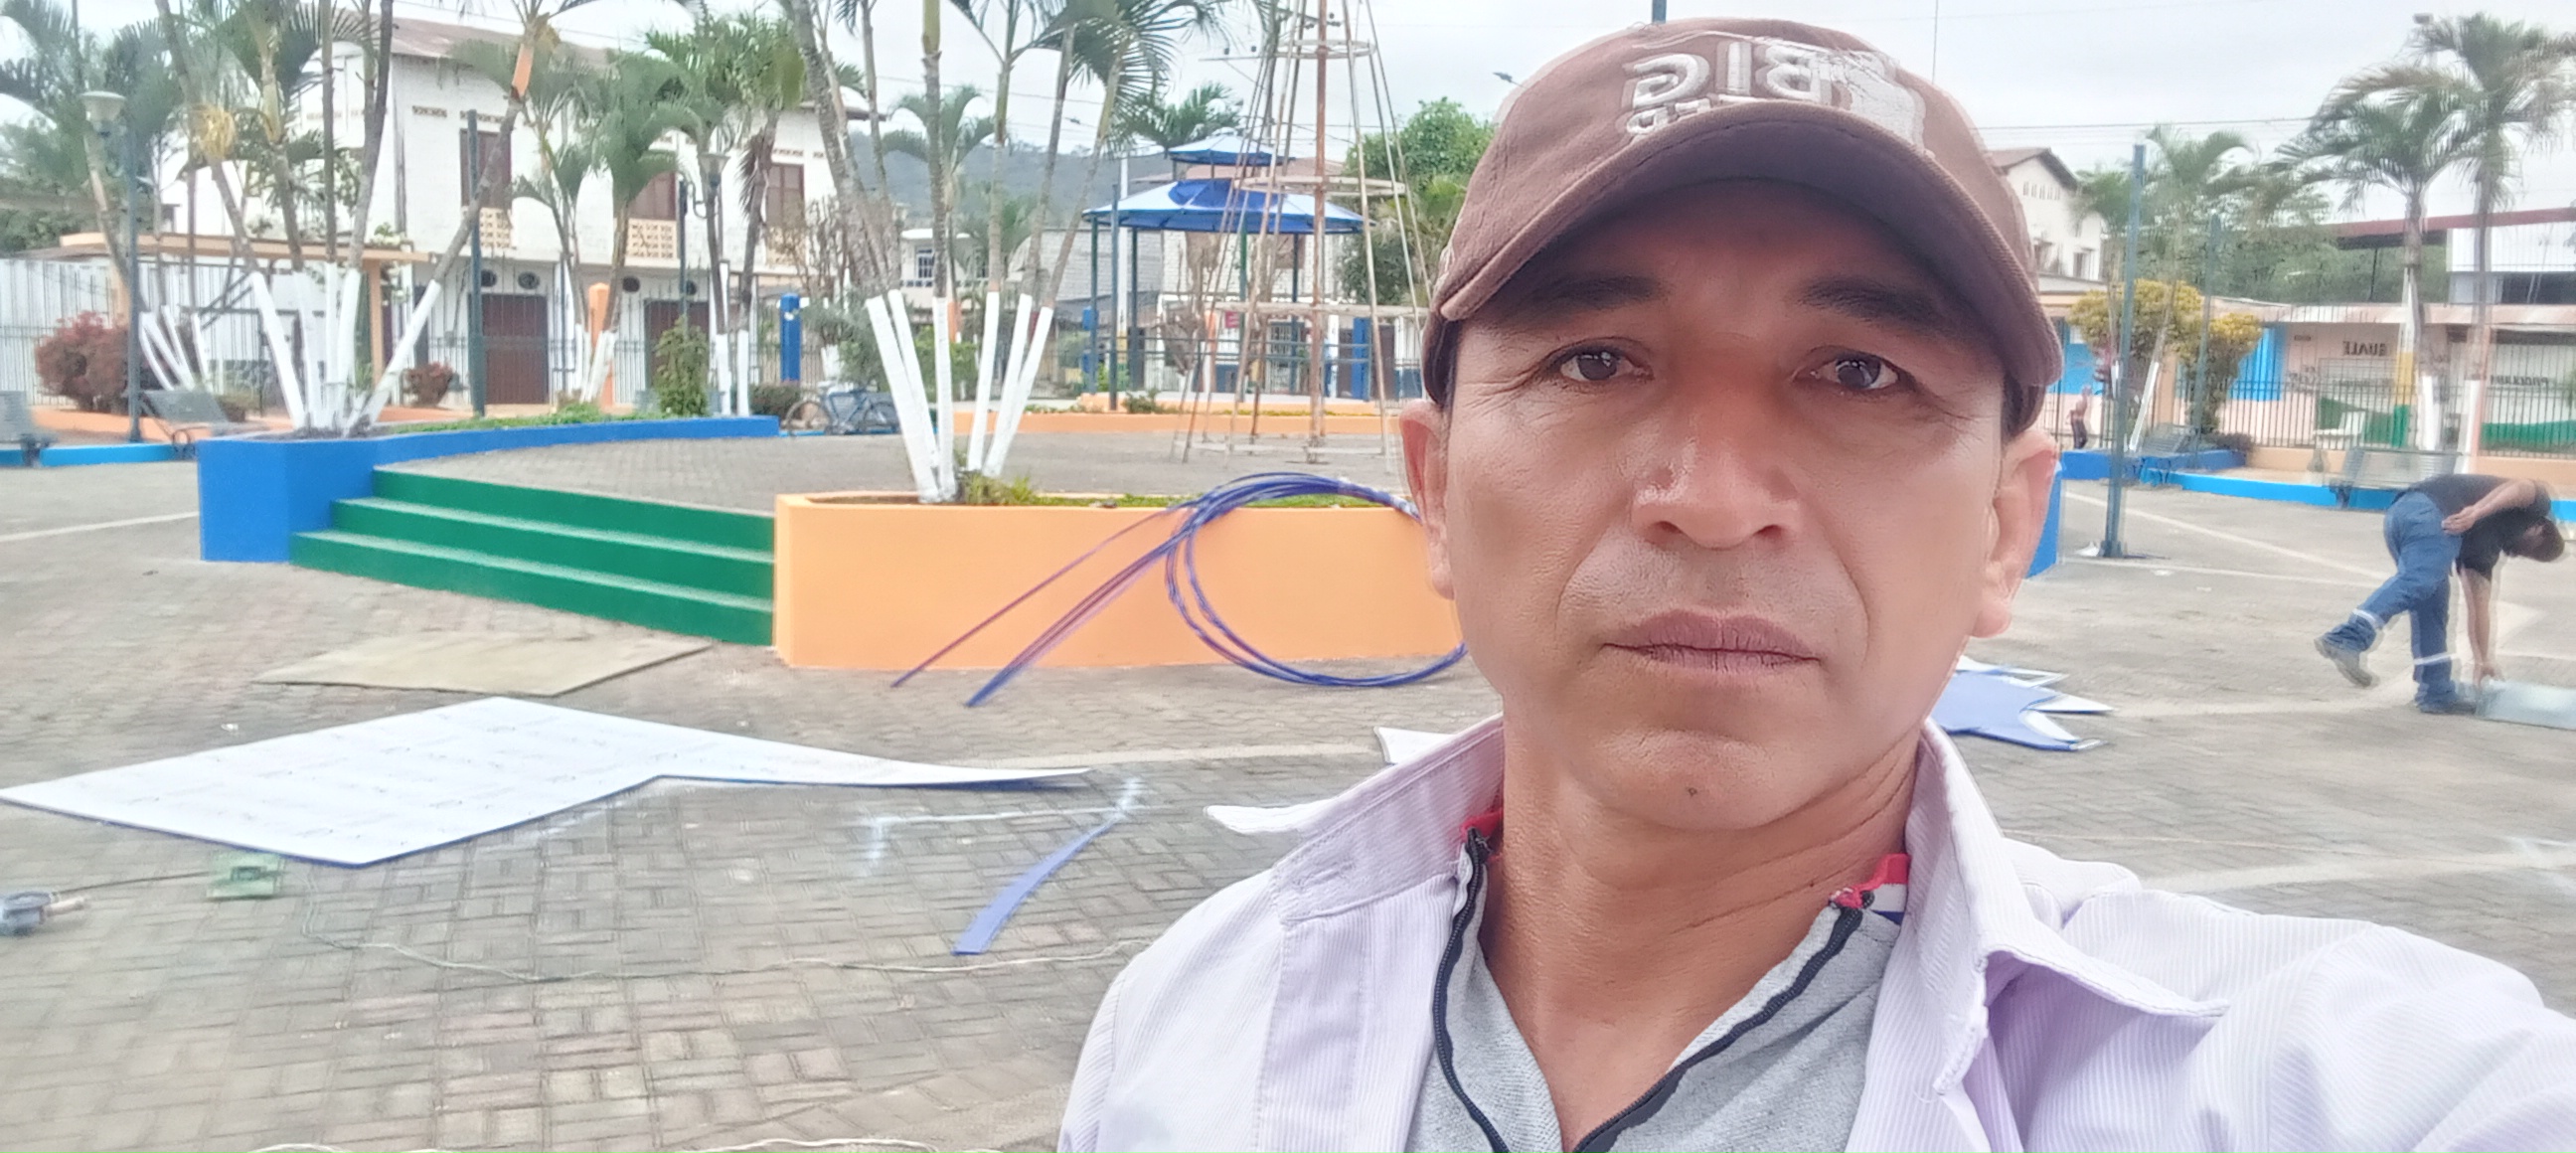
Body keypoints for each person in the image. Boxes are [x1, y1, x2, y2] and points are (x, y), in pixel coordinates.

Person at [1060, 19, 2576, 1153]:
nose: (1715, 500)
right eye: (1596, 361)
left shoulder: (2331, 1083)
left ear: (2005, 527)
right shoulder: (1192, 1024)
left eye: (1860, 373)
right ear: (1438, 485)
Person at [2318, 472, 2563, 712]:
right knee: (2421, 580)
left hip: (2406, 517)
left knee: (2433, 605)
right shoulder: (2536, 506)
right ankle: (2348, 636)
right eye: (2531, 550)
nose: (2519, 555)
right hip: (2430, 510)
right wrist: (2476, 512)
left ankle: (2435, 691)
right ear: (2539, 529)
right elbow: (2521, 487)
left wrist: (2482, 659)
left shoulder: (2483, 553)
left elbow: (2478, 608)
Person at [2067, 384, 2094, 449]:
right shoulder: (2080, 399)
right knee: (2077, 439)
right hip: (2076, 420)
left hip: (2080, 420)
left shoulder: (2085, 399)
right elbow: (2078, 409)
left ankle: (2078, 449)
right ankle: (2076, 450)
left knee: (2084, 438)